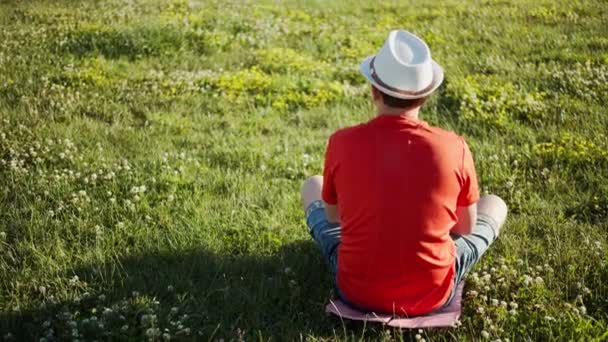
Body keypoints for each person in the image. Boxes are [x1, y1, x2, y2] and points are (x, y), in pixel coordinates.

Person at [300, 30, 508, 316]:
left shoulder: (342, 141)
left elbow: (335, 217)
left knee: (312, 184)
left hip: (356, 290)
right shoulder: (454, 146)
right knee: (495, 204)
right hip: (432, 293)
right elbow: (465, 227)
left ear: (374, 91)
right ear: (427, 95)